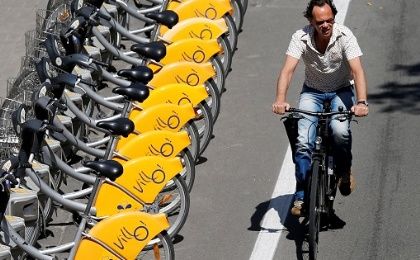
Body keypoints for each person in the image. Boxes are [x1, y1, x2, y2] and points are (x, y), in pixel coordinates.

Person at [272, 0, 369, 217]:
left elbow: (358, 71)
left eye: (329, 21)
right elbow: (288, 70)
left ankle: (344, 171)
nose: (325, 25)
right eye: (320, 22)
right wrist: (280, 99)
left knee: (339, 131)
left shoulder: (345, 36)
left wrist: (361, 102)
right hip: (312, 91)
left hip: (341, 90)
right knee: (304, 143)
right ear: (310, 21)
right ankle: (301, 196)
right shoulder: (300, 37)